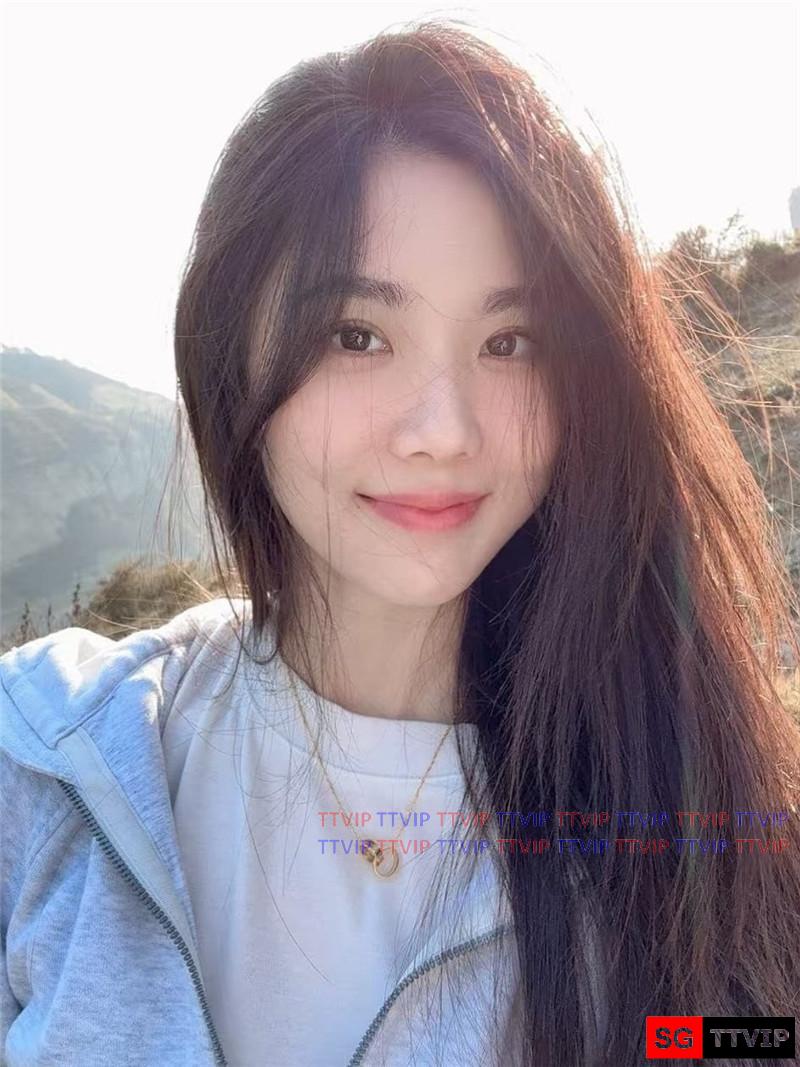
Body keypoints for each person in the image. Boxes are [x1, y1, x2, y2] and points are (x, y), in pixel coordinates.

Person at [2, 17, 799, 1067]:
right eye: (357, 335)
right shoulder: (51, 760)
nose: (443, 431)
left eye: (509, 342)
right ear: (230, 352)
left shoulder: (683, 821)